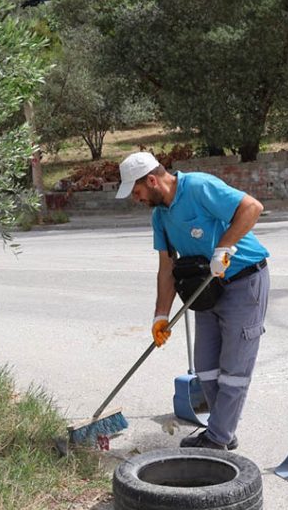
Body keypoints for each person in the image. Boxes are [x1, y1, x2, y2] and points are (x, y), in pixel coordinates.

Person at [115, 152, 270, 450]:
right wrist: (160, 316)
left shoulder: (198, 187)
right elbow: (166, 268)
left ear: (151, 180)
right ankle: (223, 429)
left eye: (137, 192)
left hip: (244, 280)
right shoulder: (160, 216)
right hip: (206, 287)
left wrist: (223, 247)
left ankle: (217, 438)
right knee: (206, 366)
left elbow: (252, 208)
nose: (137, 199)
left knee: (234, 369)